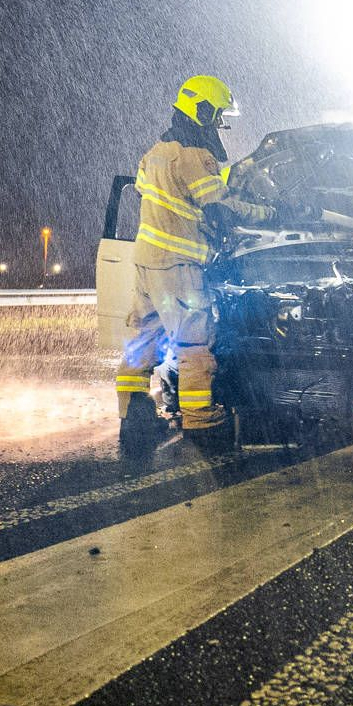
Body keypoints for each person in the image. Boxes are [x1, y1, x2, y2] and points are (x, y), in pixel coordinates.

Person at [115, 75, 275, 453]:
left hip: (146, 263)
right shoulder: (194, 157)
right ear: (202, 110)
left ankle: (133, 419)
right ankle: (202, 423)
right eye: (217, 115)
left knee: (143, 339)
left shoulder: (154, 154)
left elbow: (155, 198)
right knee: (193, 344)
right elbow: (220, 209)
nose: (218, 124)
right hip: (179, 266)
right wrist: (269, 213)